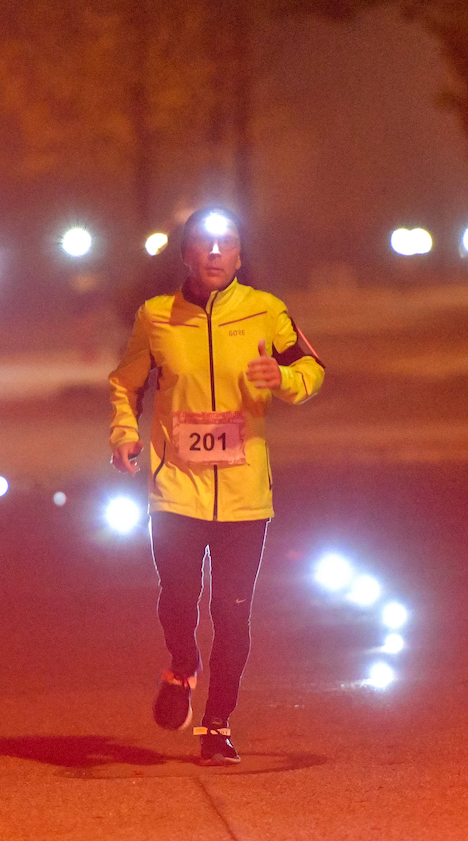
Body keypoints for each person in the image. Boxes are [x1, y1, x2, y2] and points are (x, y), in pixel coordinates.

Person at [108, 205, 325, 766]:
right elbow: (125, 382)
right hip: (175, 486)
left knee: (232, 611)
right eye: (203, 243)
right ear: (185, 253)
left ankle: (217, 725)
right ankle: (181, 665)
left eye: (225, 243)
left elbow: (312, 369)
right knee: (179, 598)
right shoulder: (157, 316)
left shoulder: (265, 310)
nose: (213, 252)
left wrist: (284, 379)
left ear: (237, 254)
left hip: (244, 492)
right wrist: (125, 431)